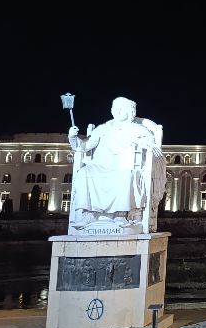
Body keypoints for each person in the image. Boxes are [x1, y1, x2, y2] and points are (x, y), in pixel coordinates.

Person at [68, 96, 164, 231]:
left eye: (122, 109)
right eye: (115, 108)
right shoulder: (103, 128)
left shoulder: (138, 129)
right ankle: (87, 214)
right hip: (101, 166)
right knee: (84, 173)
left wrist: (145, 143)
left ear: (130, 112)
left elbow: (149, 141)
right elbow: (84, 146)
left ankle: (120, 214)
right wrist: (73, 137)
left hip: (124, 166)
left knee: (125, 175)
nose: (118, 111)